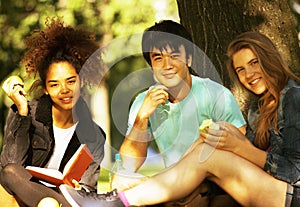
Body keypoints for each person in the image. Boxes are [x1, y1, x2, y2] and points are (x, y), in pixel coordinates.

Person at [59, 31, 300, 207]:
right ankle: (119, 198)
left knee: (213, 146)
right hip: (213, 183)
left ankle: (115, 203)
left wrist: (238, 147)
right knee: (208, 140)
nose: (248, 74)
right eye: (240, 70)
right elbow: (129, 165)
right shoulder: (260, 107)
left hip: (288, 194)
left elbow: (292, 171)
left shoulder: (293, 98)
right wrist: (143, 118)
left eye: (254, 63)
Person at [0, 17, 106, 207]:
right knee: (9, 172)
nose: (64, 90)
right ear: (46, 89)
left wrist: (77, 188)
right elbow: (10, 169)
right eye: (54, 84)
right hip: (24, 196)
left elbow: (88, 190)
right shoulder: (25, 114)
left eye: (71, 81)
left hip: (63, 198)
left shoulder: (95, 136)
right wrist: (22, 114)